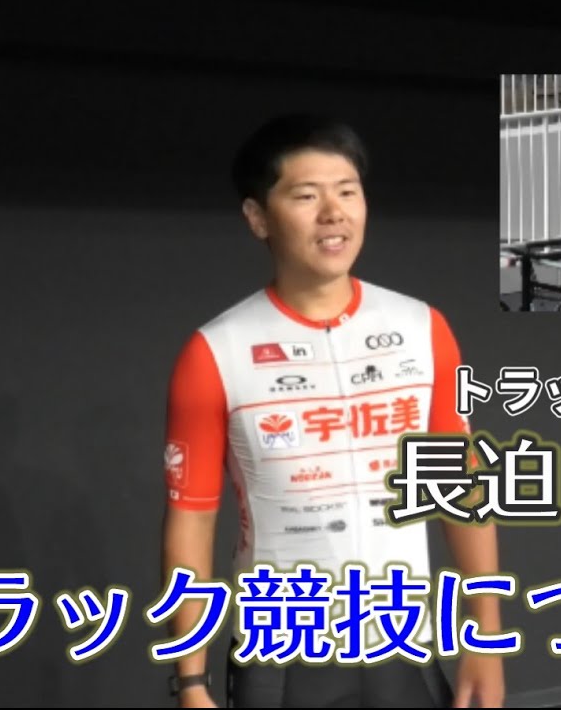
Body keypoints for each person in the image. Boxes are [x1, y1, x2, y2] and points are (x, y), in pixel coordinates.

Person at [160, 114, 504, 708]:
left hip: (404, 643)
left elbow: (461, 487)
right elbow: (191, 522)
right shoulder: (214, 351)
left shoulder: (423, 328)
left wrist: (486, 639)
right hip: (281, 657)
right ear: (258, 217)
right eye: (305, 196)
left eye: (347, 192)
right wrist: (190, 680)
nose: (333, 213)